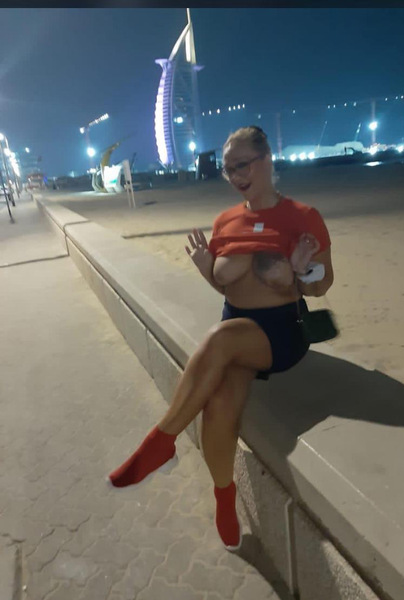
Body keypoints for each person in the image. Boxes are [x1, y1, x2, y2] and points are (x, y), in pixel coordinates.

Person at [108, 126, 334, 552]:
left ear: (267, 159)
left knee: (221, 338)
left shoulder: (303, 217)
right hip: (236, 330)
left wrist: (301, 269)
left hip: (281, 333)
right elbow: (226, 286)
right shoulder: (225, 221)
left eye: (242, 165)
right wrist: (205, 268)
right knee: (219, 406)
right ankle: (224, 497)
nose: (235, 176)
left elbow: (323, 286)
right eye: (228, 169)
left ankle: (160, 443)